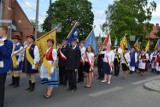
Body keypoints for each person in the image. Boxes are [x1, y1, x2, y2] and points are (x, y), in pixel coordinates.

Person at [0, 26, 13, 107]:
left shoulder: (9, 42)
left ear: (4, 31)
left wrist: (1, 45)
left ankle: (1, 103)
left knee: (1, 86)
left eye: (0, 30)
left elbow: (7, 55)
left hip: (2, 67)